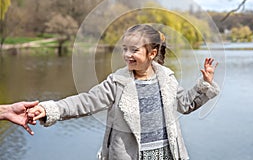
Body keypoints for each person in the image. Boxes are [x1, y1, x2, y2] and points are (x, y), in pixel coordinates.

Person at [28, 24, 220, 160]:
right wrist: (50, 109)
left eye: (134, 50)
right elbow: (86, 101)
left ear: (151, 54)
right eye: (125, 49)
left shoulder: (166, 78)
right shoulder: (117, 82)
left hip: (166, 154)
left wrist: (204, 83)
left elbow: (184, 104)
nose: (127, 55)